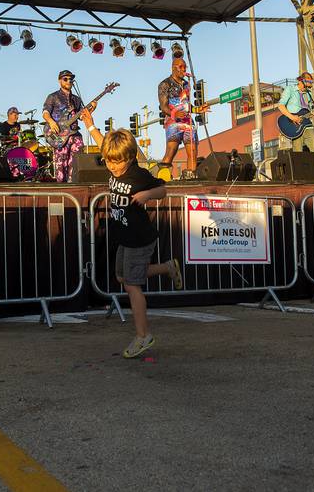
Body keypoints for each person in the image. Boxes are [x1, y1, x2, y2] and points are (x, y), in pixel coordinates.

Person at [81, 108, 183, 358]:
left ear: (130, 157)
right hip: (123, 236)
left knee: (133, 285)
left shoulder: (139, 174)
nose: (113, 167)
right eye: (109, 161)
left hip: (139, 238)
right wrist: (91, 125)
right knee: (123, 278)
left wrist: (147, 194)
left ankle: (143, 335)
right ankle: (168, 267)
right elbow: (103, 144)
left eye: (118, 162)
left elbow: (162, 191)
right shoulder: (112, 160)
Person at [157, 58, 208, 179]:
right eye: (181, 66)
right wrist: (174, 114)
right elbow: (163, 107)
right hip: (173, 121)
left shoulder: (186, 84)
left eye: (185, 67)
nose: (184, 69)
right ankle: (162, 180)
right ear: (173, 68)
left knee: (193, 151)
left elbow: (186, 105)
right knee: (171, 150)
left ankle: (191, 177)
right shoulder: (165, 84)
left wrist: (197, 110)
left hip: (188, 121)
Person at [43, 70, 88, 182]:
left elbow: (82, 117)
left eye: (70, 79)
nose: (69, 81)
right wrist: (52, 122)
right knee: (61, 165)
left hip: (74, 134)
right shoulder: (53, 96)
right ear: (60, 81)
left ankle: (74, 187)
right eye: (65, 79)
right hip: (59, 134)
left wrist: (92, 109)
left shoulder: (76, 99)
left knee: (76, 163)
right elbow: (45, 113)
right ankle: (62, 189)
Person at [276, 72, 314, 151]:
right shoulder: (290, 89)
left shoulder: (309, 94)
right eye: (308, 81)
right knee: (298, 152)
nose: (310, 83)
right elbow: (280, 105)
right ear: (300, 80)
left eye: (311, 82)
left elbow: (309, 110)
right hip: (295, 126)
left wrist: (312, 113)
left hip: (307, 124)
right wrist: (292, 117)